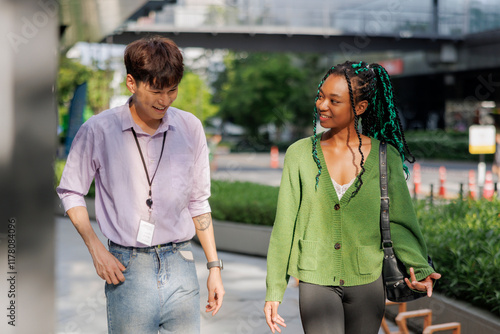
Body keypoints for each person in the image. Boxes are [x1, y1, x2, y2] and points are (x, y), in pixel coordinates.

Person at [57, 36, 224, 334]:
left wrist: (214, 267)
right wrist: (96, 249)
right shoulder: (98, 130)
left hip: (181, 264)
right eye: (156, 90)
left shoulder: (190, 128)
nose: (165, 100)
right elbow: (71, 192)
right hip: (128, 268)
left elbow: (198, 201)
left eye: (172, 90)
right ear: (131, 83)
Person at [264, 61, 441, 334]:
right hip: (315, 276)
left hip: (368, 279)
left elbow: (400, 221)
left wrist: (419, 266)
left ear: (359, 108)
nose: (322, 105)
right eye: (320, 96)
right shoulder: (299, 154)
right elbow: (284, 225)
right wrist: (274, 288)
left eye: (334, 100)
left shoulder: (386, 156)